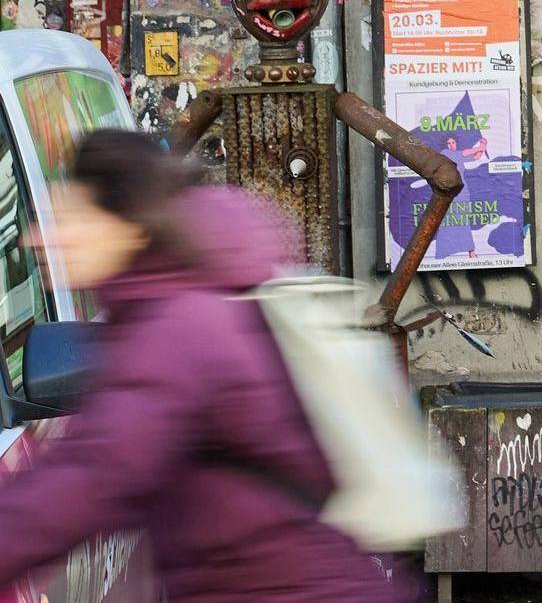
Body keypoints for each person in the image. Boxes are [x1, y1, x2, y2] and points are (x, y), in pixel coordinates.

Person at [0, 130, 410, 602]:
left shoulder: (177, 328)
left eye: (68, 217)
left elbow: (92, 477)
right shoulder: (175, 305)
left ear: (127, 224)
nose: (39, 238)